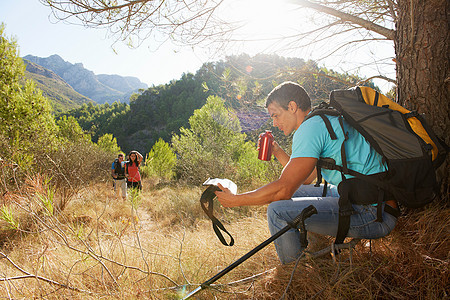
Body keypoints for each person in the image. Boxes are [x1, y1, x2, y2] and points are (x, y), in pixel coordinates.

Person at [215, 81, 398, 264]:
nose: (275, 123)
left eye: (276, 115)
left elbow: (283, 190)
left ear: (292, 107)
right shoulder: (321, 120)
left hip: (374, 214)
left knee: (277, 211)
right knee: (295, 193)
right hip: (376, 201)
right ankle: (311, 248)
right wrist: (278, 152)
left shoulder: (309, 129)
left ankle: (295, 275)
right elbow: (306, 179)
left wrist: (236, 200)